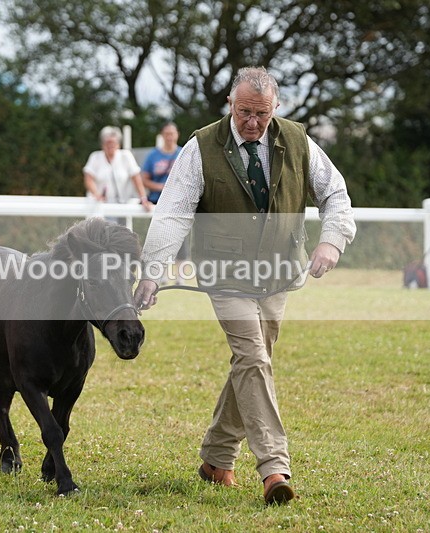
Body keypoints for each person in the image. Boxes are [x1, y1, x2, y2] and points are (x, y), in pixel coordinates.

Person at [133, 67, 356, 505]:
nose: (252, 122)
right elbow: (173, 212)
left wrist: (332, 241)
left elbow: (335, 195)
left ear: (276, 108)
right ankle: (274, 467)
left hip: (277, 273)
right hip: (226, 275)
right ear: (231, 105)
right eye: (244, 112)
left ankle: (216, 458)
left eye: (261, 113)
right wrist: (152, 272)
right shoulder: (200, 147)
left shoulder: (297, 140)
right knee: (253, 357)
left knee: (252, 362)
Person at [140, 122, 187, 283]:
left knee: (181, 237)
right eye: (166, 134)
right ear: (162, 135)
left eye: (172, 133)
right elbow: (144, 178)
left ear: (177, 134)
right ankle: (162, 274)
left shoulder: (183, 153)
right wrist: (160, 187)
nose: (169, 137)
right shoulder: (153, 156)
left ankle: (181, 276)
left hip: (178, 202)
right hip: (157, 200)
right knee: (159, 237)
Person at [83, 126, 152, 223]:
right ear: (102, 144)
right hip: (99, 207)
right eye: (107, 143)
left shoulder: (126, 156)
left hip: (122, 206)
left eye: (113, 143)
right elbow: (88, 179)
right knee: (98, 233)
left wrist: (143, 198)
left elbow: (136, 178)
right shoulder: (95, 157)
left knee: (121, 233)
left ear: (118, 144)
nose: (110, 146)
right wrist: (97, 194)